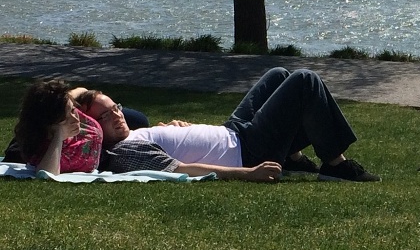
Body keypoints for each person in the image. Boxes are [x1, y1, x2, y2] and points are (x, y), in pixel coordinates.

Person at [76, 67, 380, 183]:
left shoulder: (134, 132)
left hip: (233, 132)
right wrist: (248, 174)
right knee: (304, 81)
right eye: (106, 115)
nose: (117, 114)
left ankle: (293, 157)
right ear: (91, 125)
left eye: (116, 106)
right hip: (247, 151)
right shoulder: (122, 153)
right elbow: (180, 170)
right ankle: (335, 164)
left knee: (277, 73)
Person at [12, 79, 103, 175]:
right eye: (64, 118)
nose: (76, 120)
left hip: (108, 136)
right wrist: (59, 135)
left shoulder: (64, 104)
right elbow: (46, 173)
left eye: (73, 110)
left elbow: (80, 90)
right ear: (49, 123)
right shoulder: (46, 151)